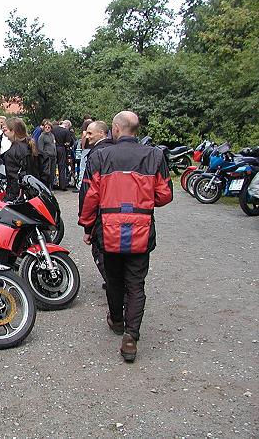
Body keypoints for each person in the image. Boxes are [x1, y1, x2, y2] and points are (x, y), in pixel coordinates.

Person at [78, 111, 173, 363]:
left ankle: (117, 320)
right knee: (136, 284)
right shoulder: (154, 155)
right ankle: (131, 337)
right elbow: (165, 195)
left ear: (116, 129)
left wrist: (87, 226)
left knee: (114, 280)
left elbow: (90, 196)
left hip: (109, 228)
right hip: (141, 228)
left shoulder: (100, 156)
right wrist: (142, 201)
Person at [77, 120, 112, 289]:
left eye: (90, 133)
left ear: (102, 133)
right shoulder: (114, 150)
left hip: (101, 211)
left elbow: (88, 191)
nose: (87, 136)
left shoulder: (96, 154)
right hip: (115, 209)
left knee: (100, 250)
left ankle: (114, 286)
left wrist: (87, 225)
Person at [3, 117, 37, 201]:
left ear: (13, 131)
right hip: (33, 193)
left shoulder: (11, 152)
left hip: (20, 196)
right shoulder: (31, 145)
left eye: (6, 130)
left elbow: (13, 180)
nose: (4, 133)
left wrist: (9, 199)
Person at [52, 119, 75, 190]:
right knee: (62, 167)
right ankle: (62, 186)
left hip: (53, 148)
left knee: (52, 166)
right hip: (62, 149)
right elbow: (68, 143)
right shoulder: (66, 131)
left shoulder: (54, 129)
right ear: (67, 125)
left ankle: (52, 184)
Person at [37, 119, 56, 191]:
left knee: (52, 174)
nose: (47, 128)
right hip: (47, 158)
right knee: (46, 174)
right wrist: (46, 156)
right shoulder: (42, 136)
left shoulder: (52, 135)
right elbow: (40, 148)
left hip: (53, 157)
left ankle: (50, 188)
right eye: (46, 127)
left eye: (49, 127)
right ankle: (45, 189)